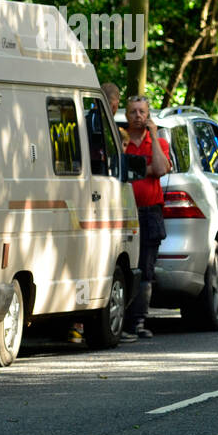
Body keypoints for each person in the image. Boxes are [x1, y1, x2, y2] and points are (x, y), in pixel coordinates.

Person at [71, 82, 126, 344]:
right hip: (95, 200)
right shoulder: (99, 123)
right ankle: (79, 323)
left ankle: (76, 324)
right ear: (113, 103)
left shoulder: (86, 118)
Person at [121, 96, 171, 340]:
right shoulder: (120, 139)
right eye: (133, 112)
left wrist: (152, 138)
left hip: (150, 212)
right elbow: (118, 170)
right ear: (126, 115)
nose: (138, 116)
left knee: (145, 270)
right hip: (124, 211)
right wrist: (144, 169)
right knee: (122, 267)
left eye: (142, 112)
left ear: (149, 115)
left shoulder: (159, 142)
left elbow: (160, 169)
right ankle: (120, 321)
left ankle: (137, 323)